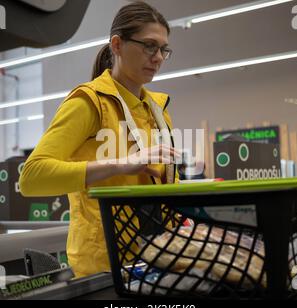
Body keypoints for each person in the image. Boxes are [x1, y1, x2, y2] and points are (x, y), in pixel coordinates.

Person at [19, 2, 181, 278]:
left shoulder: (157, 108)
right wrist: (121, 165)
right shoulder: (88, 102)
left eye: (164, 49)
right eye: (149, 46)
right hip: (104, 267)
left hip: (157, 259)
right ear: (117, 45)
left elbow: (164, 185)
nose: (158, 58)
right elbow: (32, 178)